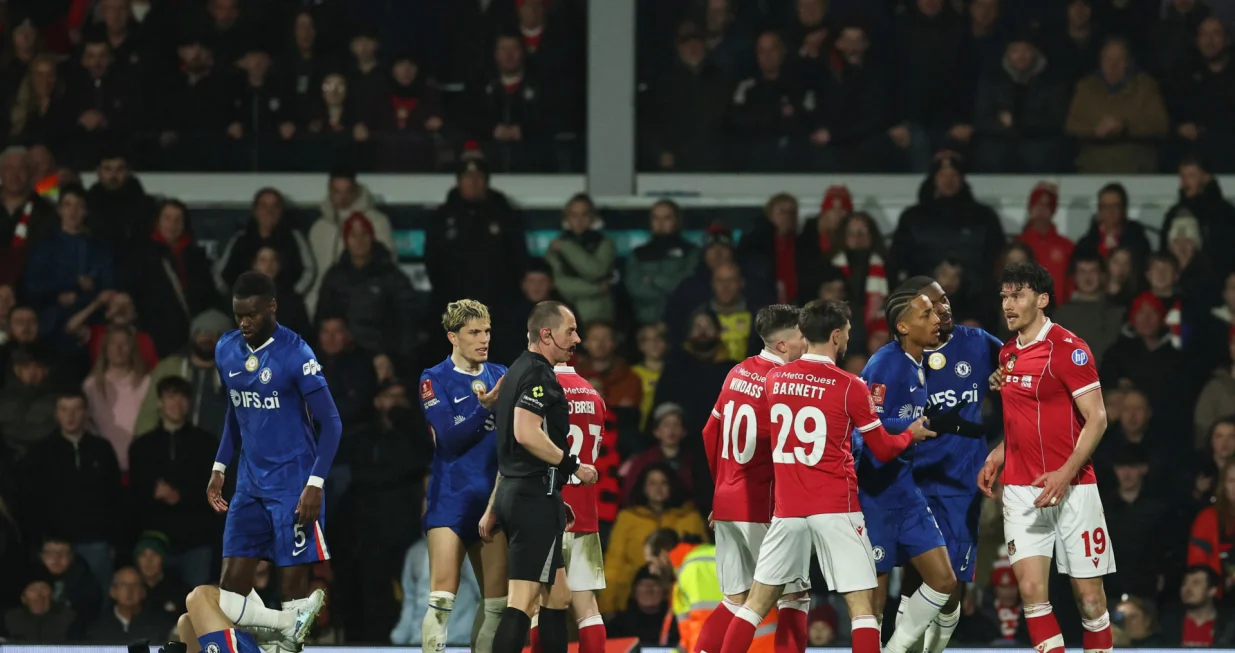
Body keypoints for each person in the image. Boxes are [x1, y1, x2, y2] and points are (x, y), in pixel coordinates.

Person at [718, 299, 937, 653]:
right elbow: (882, 448)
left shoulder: (775, 379)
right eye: (848, 330)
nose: (850, 336)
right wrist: (908, 434)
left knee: (754, 605)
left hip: (787, 511)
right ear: (836, 336)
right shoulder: (850, 385)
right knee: (862, 609)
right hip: (836, 507)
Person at [978, 261, 1115, 653]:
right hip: (1022, 489)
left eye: (1017, 295)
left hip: (1074, 489)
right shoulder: (1006, 353)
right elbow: (1024, 416)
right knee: (1033, 592)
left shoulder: (1069, 350)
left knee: (1090, 600)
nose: (1007, 304)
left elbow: (1098, 419)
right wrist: (999, 453)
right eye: (1004, 296)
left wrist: (1064, 473)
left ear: (1041, 300)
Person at [205, 271, 342, 647]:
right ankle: (287, 623)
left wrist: (315, 483)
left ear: (272, 307)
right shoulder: (225, 349)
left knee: (292, 589)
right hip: (248, 483)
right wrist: (220, 467)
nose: (245, 323)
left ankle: (288, 627)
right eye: (238, 316)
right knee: (230, 597)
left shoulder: (296, 353)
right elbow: (236, 411)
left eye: (252, 314)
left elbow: (331, 423)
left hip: (294, 485)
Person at [857, 283, 979, 653]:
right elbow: (868, 424)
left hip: (906, 491)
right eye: (925, 314)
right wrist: (907, 430)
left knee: (944, 581)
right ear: (903, 327)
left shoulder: (917, 363)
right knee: (872, 605)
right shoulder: (884, 364)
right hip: (876, 494)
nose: (936, 319)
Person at [694, 305, 811, 653]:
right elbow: (790, 454)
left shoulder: (737, 371)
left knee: (736, 598)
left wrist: (721, 490)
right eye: (801, 336)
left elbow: (709, 431)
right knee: (794, 596)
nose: (807, 343)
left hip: (727, 501)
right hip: (764, 505)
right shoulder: (783, 385)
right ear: (782, 345)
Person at [898, 276, 1003, 653]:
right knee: (915, 575)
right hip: (914, 480)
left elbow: (1019, 364)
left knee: (951, 585)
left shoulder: (975, 343)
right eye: (930, 305)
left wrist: (1003, 374)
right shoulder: (898, 357)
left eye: (944, 300)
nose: (943, 309)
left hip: (962, 481)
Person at [490, 301, 600, 653]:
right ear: (546, 334)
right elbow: (526, 432)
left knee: (559, 596)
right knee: (522, 601)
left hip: (530, 493)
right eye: (570, 331)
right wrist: (573, 468)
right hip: (530, 497)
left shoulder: (518, 368)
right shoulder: (539, 374)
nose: (577, 339)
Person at [418, 299, 508, 653]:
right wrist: (483, 406)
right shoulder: (433, 378)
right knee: (441, 603)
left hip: (492, 501)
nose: (483, 339)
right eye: (474, 332)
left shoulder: (500, 374)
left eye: (486, 331)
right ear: (453, 337)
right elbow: (449, 438)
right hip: (450, 499)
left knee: (496, 607)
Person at [525, 364, 608, 653]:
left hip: (548, 507)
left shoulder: (538, 390)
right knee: (587, 607)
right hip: (585, 511)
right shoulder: (594, 395)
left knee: (539, 605)